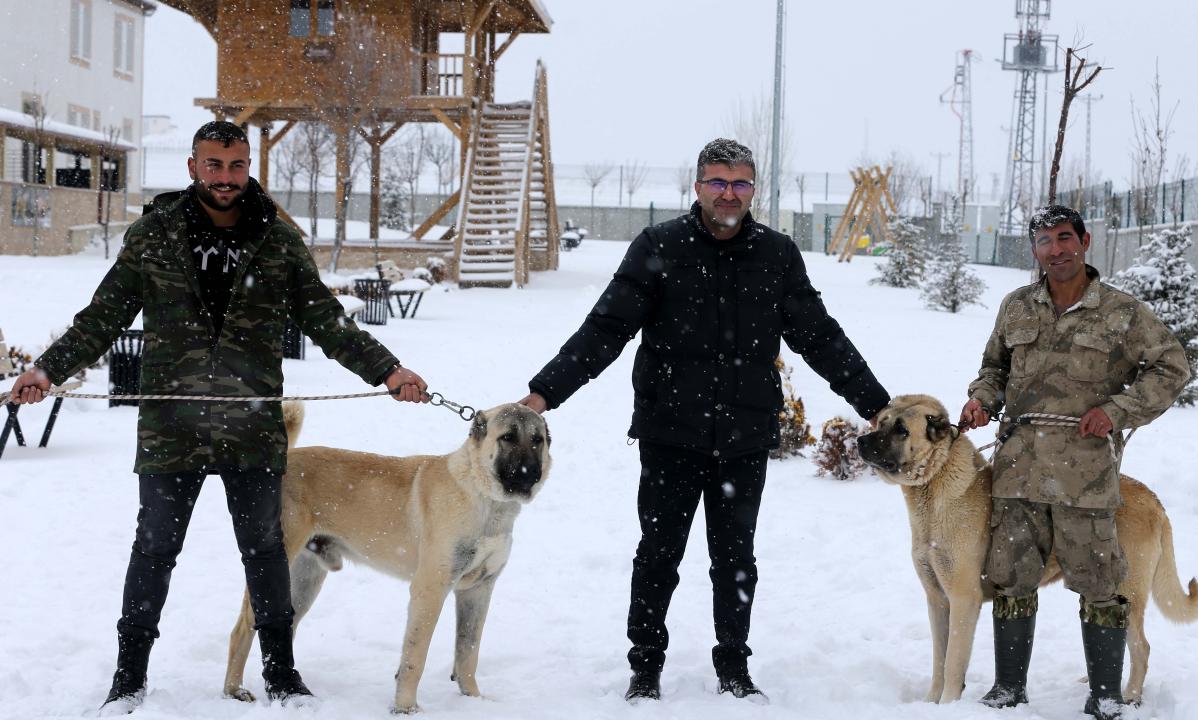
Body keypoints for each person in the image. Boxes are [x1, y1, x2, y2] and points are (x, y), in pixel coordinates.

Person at [6, 121, 429, 715]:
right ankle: (129, 678)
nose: (225, 179)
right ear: (192, 167)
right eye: (214, 166)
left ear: (248, 166)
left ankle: (281, 675)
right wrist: (47, 371)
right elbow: (102, 317)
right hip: (170, 425)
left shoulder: (277, 241)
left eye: (235, 167)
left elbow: (328, 322)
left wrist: (387, 371)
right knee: (153, 548)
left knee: (266, 552)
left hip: (251, 425)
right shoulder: (155, 233)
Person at [517, 139, 889, 702]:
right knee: (658, 554)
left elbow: (819, 336)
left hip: (743, 435)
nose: (729, 194)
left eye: (740, 183)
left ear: (753, 191)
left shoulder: (776, 255)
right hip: (671, 433)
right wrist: (543, 393)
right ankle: (645, 667)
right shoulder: (659, 246)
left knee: (736, 558)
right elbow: (606, 329)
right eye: (718, 182)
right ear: (697, 188)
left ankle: (734, 668)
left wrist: (874, 403)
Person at [958, 205, 1189, 720]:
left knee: (1100, 583)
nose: (1055, 249)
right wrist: (981, 399)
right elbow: (993, 368)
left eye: (1065, 238)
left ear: (1084, 241)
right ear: (1034, 249)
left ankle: (1105, 695)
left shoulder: (1121, 312)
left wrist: (1116, 411)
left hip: (1086, 477)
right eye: (1044, 241)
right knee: (1011, 578)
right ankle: (1008, 690)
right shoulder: (1016, 307)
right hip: (1017, 473)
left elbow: (1172, 366)